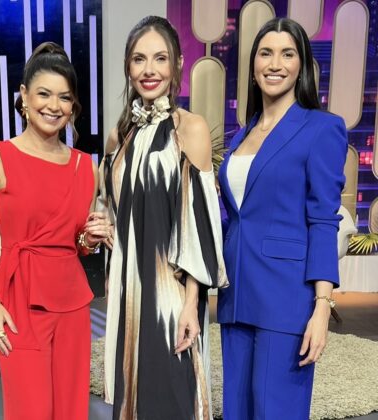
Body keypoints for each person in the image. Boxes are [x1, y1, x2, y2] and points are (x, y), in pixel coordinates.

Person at [0, 42, 111, 419]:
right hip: (17, 302)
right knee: (29, 409)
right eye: (44, 94)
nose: (53, 105)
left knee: (70, 409)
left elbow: (77, 243)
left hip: (72, 306)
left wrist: (90, 238)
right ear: (24, 97)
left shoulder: (85, 167)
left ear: (73, 106)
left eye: (64, 97)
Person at [217, 17, 347, 420]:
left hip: (285, 296)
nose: (275, 64)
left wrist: (322, 306)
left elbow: (323, 220)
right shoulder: (242, 134)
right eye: (265, 53)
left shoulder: (322, 128)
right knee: (237, 411)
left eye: (287, 54)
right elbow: (235, 216)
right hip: (235, 295)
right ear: (253, 65)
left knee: (277, 411)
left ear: (302, 64)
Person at [99, 16, 228, 419]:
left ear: (177, 64)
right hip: (127, 289)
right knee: (133, 395)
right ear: (128, 66)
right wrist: (102, 232)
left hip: (170, 291)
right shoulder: (119, 135)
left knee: (173, 393)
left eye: (160, 58)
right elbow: (109, 209)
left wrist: (192, 303)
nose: (149, 70)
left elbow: (199, 224)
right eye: (139, 59)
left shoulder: (190, 129)